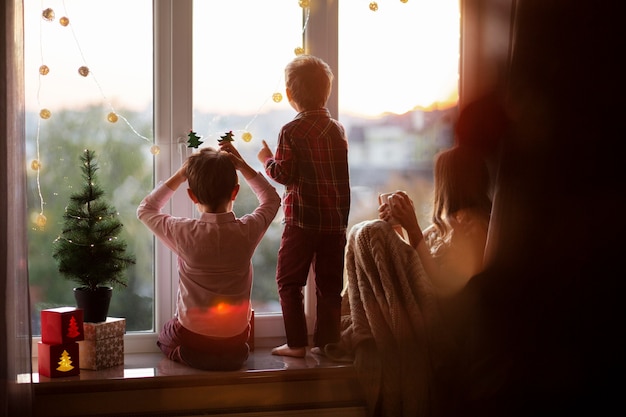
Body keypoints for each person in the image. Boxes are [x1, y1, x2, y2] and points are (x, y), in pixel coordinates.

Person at [137, 141, 280, 371]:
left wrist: (181, 174)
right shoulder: (247, 231)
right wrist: (243, 166)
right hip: (236, 336)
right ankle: (229, 354)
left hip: (193, 336)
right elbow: (272, 200)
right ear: (235, 191)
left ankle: (191, 354)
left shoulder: (183, 232)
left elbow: (146, 209)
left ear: (192, 196)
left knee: (165, 335)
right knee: (238, 329)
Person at [257, 54, 351, 358]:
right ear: (327, 91)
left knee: (288, 281)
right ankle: (328, 343)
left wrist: (266, 161)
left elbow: (285, 175)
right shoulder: (337, 130)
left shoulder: (291, 131)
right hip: (334, 223)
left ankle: (297, 343)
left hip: (301, 222)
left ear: (290, 95)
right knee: (329, 287)